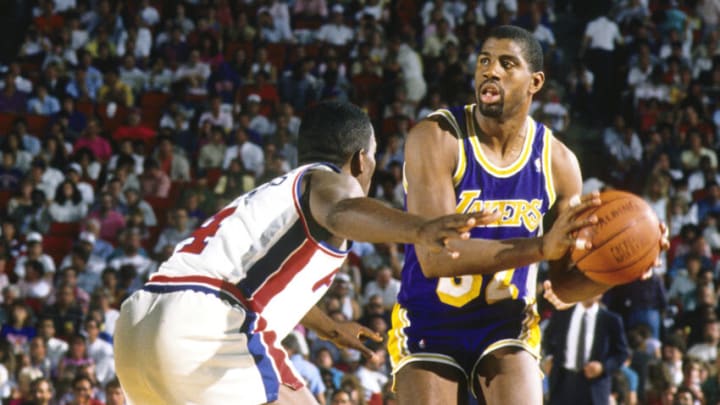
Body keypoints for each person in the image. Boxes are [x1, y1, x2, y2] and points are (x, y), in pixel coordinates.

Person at [114, 101, 497, 405]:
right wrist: (420, 228)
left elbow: (255, 283)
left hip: (138, 326)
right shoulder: (332, 180)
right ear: (361, 160)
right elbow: (342, 211)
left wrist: (331, 329)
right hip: (207, 325)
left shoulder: (272, 195)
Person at [389, 25, 663, 405]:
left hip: (507, 324)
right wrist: (540, 247)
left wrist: (626, 267)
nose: (490, 70)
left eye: (506, 63)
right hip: (429, 319)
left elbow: (564, 285)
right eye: (484, 60)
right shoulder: (437, 137)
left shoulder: (560, 162)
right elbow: (435, 256)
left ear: (535, 82)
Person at [543, 294, 629, 405]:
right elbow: (548, 336)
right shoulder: (563, 313)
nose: (588, 292)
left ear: (601, 292)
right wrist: (549, 357)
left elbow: (622, 353)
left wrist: (603, 367)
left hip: (594, 386)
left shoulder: (611, 320)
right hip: (563, 381)